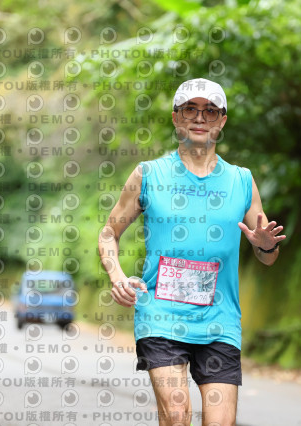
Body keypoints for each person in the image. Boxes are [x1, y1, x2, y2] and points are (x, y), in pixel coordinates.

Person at [98, 78, 286, 426]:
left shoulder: (242, 181)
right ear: (176, 118)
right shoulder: (148, 175)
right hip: (160, 315)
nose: (200, 118)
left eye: (210, 111)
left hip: (220, 321)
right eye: (190, 109)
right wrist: (117, 275)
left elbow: (268, 257)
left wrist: (266, 245)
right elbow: (109, 233)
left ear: (222, 121)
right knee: (176, 413)